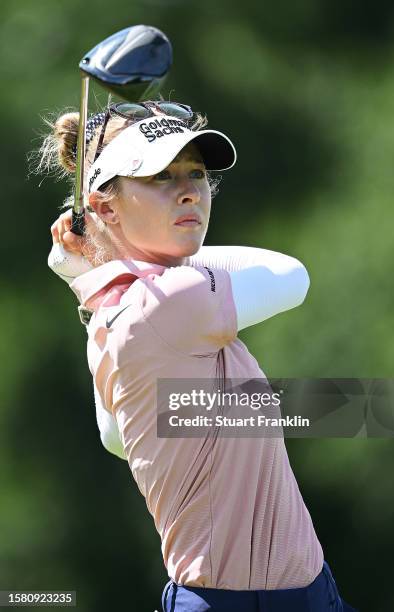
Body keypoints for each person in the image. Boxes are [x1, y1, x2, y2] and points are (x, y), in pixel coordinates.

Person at [41, 100, 356, 611]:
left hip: (305, 592)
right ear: (104, 208)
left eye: (196, 173)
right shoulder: (172, 298)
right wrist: (125, 261)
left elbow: (117, 438)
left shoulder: (110, 315)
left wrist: (104, 268)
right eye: (161, 176)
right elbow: (292, 275)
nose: (189, 190)